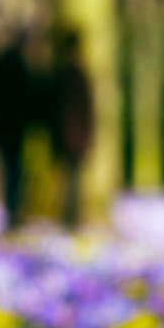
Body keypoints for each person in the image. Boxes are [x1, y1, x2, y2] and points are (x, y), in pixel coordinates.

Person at [0, 28, 35, 232]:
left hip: (1, 126)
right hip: (15, 128)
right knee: (15, 171)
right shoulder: (19, 66)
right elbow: (27, 97)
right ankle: (13, 212)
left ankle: (10, 212)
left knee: (9, 170)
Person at [50, 30, 94, 229]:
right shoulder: (75, 74)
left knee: (70, 180)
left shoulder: (62, 73)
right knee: (71, 180)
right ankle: (69, 217)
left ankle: (69, 217)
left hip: (67, 136)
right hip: (74, 136)